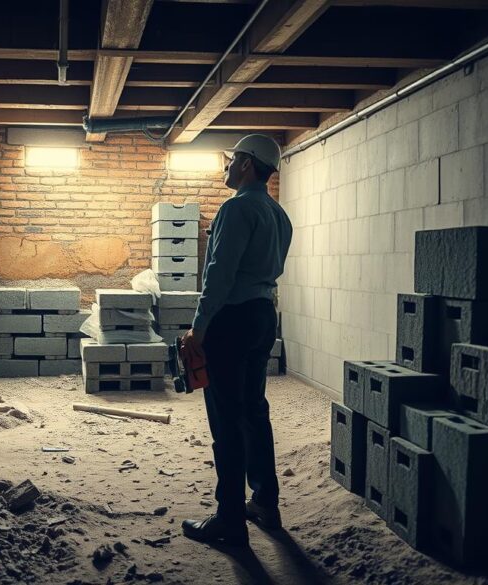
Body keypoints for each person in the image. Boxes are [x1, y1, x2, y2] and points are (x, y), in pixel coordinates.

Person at [180, 134, 293, 546]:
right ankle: (265, 502)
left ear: (247, 164)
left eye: (232, 160)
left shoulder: (236, 208)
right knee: (253, 411)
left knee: (225, 420)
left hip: (232, 318)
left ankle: (229, 520)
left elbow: (219, 276)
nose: (226, 166)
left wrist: (199, 327)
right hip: (264, 315)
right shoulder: (279, 215)